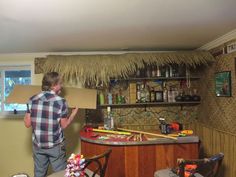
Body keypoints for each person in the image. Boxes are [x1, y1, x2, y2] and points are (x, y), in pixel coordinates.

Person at [24, 72, 79, 177]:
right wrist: (73, 114)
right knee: (60, 174)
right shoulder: (61, 102)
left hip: (38, 146)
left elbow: (27, 123)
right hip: (55, 146)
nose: (61, 85)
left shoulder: (32, 100)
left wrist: (28, 110)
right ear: (54, 85)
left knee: (39, 174)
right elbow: (64, 125)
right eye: (60, 83)